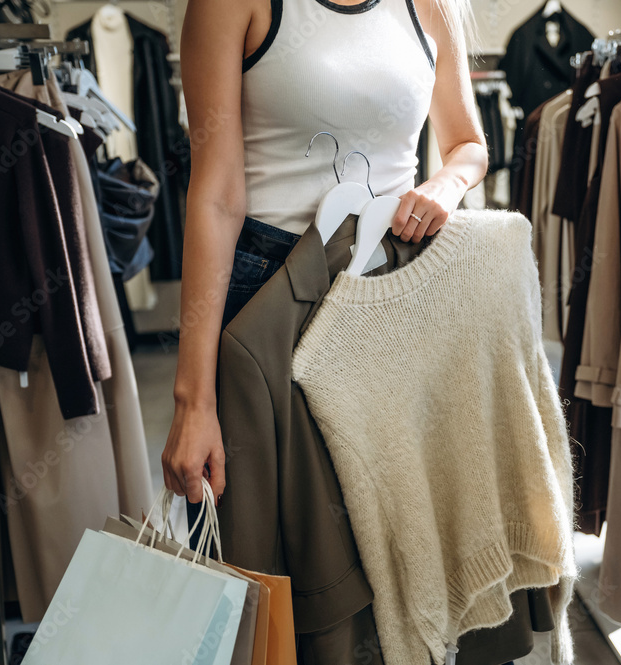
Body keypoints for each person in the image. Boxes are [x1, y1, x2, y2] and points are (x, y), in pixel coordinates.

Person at [161, 0, 487, 514]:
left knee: (399, 519)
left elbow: (468, 144)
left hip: (396, 286)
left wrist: (446, 184)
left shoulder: (431, 5)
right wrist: (193, 401)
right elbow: (217, 197)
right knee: (270, 523)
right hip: (270, 292)